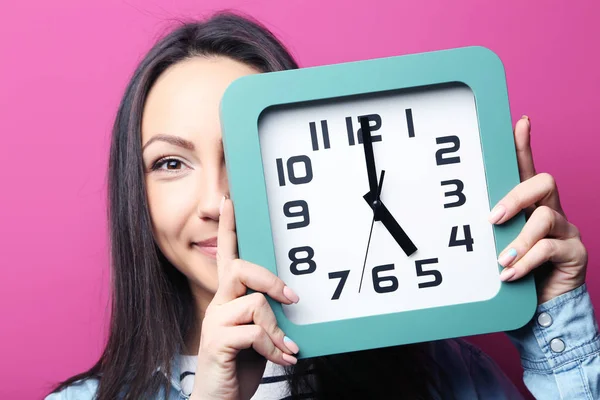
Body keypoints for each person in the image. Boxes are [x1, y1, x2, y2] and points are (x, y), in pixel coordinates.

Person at [45, 10, 598, 400]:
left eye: (246, 155)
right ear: (133, 195)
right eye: (171, 164)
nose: (216, 201)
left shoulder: (442, 376)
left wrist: (557, 319)